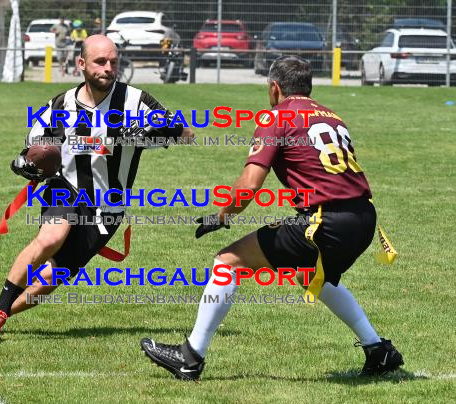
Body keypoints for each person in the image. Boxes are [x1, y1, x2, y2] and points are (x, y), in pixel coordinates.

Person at [140, 55, 404, 380]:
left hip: (326, 221)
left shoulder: (276, 116)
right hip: (364, 218)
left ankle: (190, 357)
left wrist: (222, 215)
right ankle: (378, 350)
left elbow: (249, 185)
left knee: (226, 262)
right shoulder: (333, 116)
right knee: (311, 275)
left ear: (275, 87)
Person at [0, 35, 194, 336]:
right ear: (81, 64)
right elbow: (34, 148)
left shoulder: (136, 101)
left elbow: (186, 134)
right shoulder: (60, 105)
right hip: (66, 187)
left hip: (108, 205)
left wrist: (156, 127)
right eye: (100, 61)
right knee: (50, 239)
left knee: (52, 277)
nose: (108, 68)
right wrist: (27, 164)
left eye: (113, 62)